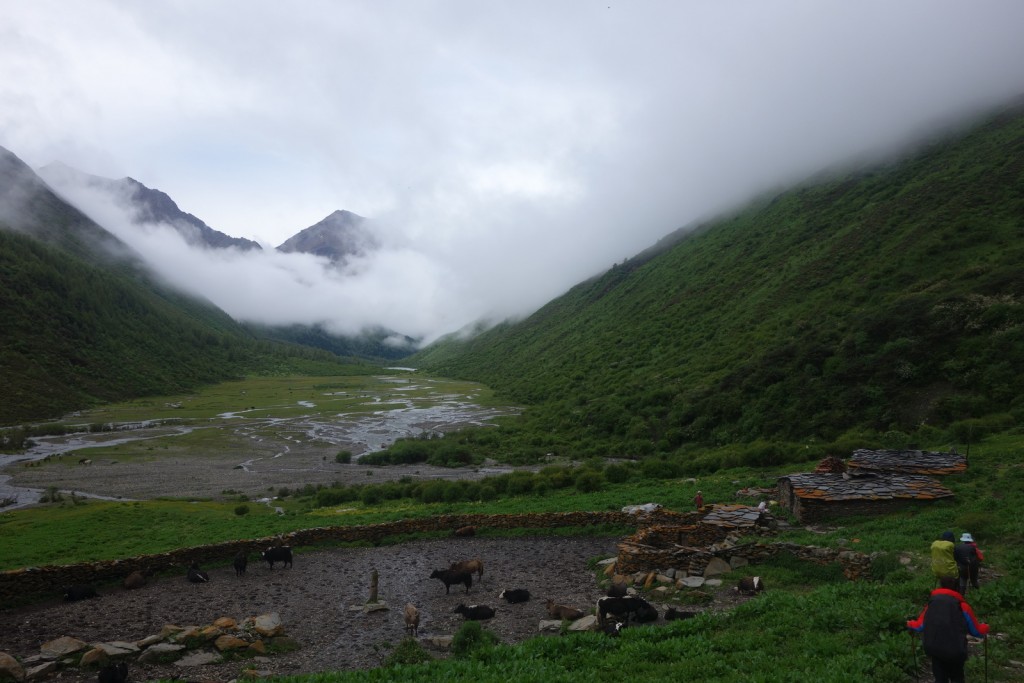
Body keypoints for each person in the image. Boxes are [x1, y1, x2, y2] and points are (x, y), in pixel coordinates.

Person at [907, 575, 989, 683]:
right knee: (957, 677)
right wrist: (985, 628)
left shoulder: (931, 604)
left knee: (940, 679)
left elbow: (919, 626)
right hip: (955, 651)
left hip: (935, 649)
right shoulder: (962, 606)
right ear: (956, 587)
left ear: (941, 586)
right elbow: (976, 631)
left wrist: (909, 623)